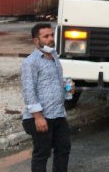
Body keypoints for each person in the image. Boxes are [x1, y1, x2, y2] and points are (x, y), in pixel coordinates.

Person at [21, 23, 74, 172]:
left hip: (58, 113)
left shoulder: (54, 57)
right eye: (46, 36)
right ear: (36, 41)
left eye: (51, 35)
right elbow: (28, 91)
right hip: (41, 117)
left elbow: (54, 81)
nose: (51, 39)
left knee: (64, 148)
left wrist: (67, 87)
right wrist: (38, 117)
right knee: (42, 153)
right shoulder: (30, 63)